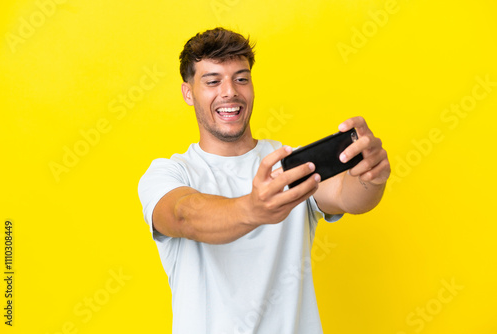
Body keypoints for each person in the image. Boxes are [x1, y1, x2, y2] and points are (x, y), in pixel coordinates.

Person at [138, 27, 390, 334]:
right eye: (213, 81)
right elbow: (183, 215)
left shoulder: (287, 162)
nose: (230, 91)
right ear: (188, 93)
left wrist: (370, 177)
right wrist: (252, 210)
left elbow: (348, 197)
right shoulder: (168, 173)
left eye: (241, 78)